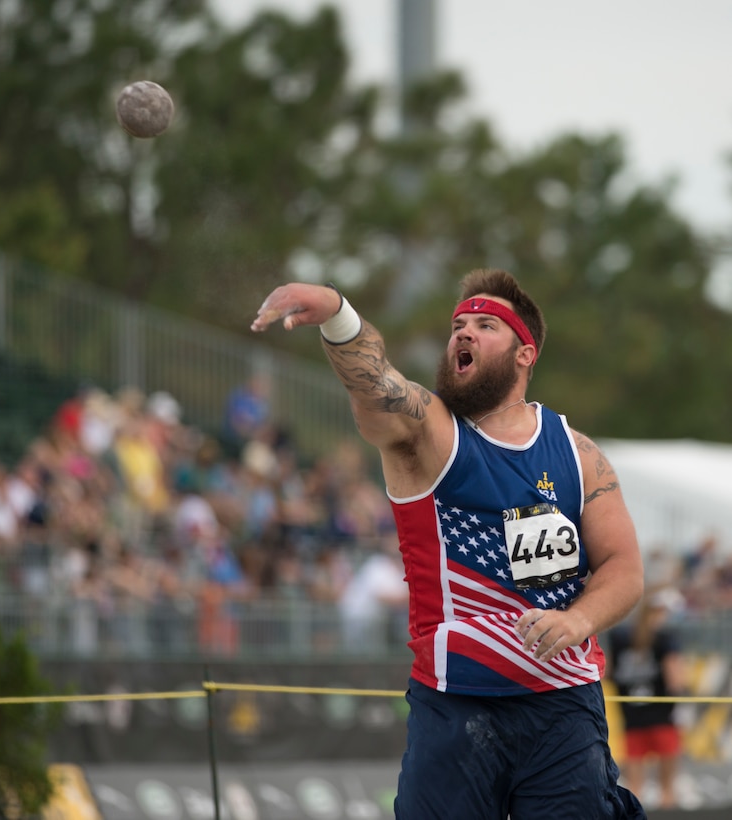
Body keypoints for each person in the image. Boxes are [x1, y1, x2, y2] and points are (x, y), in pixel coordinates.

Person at [251, 269, 646, 819]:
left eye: (486, 325)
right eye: (458, 324)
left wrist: (578, 620)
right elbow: (375, 384)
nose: (464, 333)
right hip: (458, 703)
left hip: (563, 706)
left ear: (524, 354)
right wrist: (338, 314)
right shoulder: (430, 432)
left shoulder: (578, 453)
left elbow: (624, 568)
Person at [608, 587, 687, 809]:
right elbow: (675, 680)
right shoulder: (666, 639)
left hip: (632, 717)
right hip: (663, 717)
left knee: (635, 788)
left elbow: (609, 672)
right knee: (667, 790)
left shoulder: (620, 637)